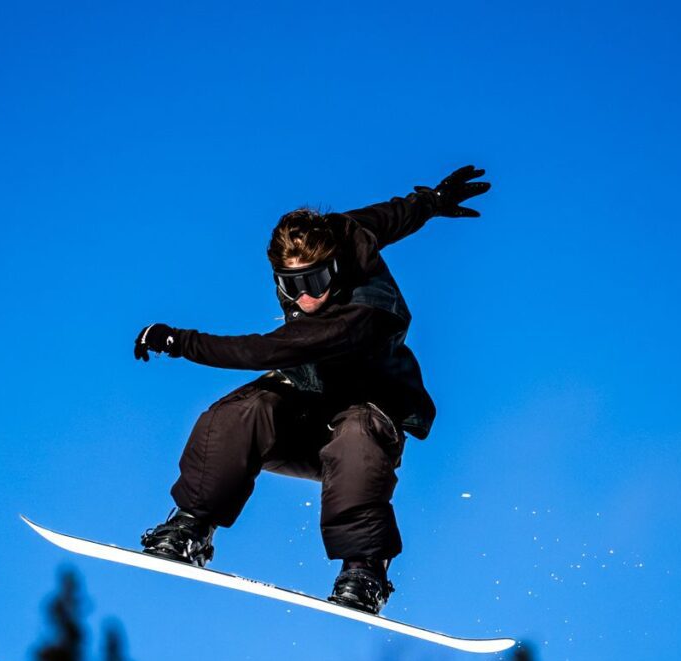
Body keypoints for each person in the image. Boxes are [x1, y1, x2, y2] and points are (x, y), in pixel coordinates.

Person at [132, 165, 489, 614]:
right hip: (306, 408)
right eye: (291, 285)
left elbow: (260, 351)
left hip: (368, 416)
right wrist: (432, 201)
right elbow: (392, 216)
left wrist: (177, 340)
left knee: (357, 434)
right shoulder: (345, 231)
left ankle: (364, 571)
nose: (305, 298)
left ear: (334, 267)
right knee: (242, 411)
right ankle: (190, 527)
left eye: (316, 282)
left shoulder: (361, 316)